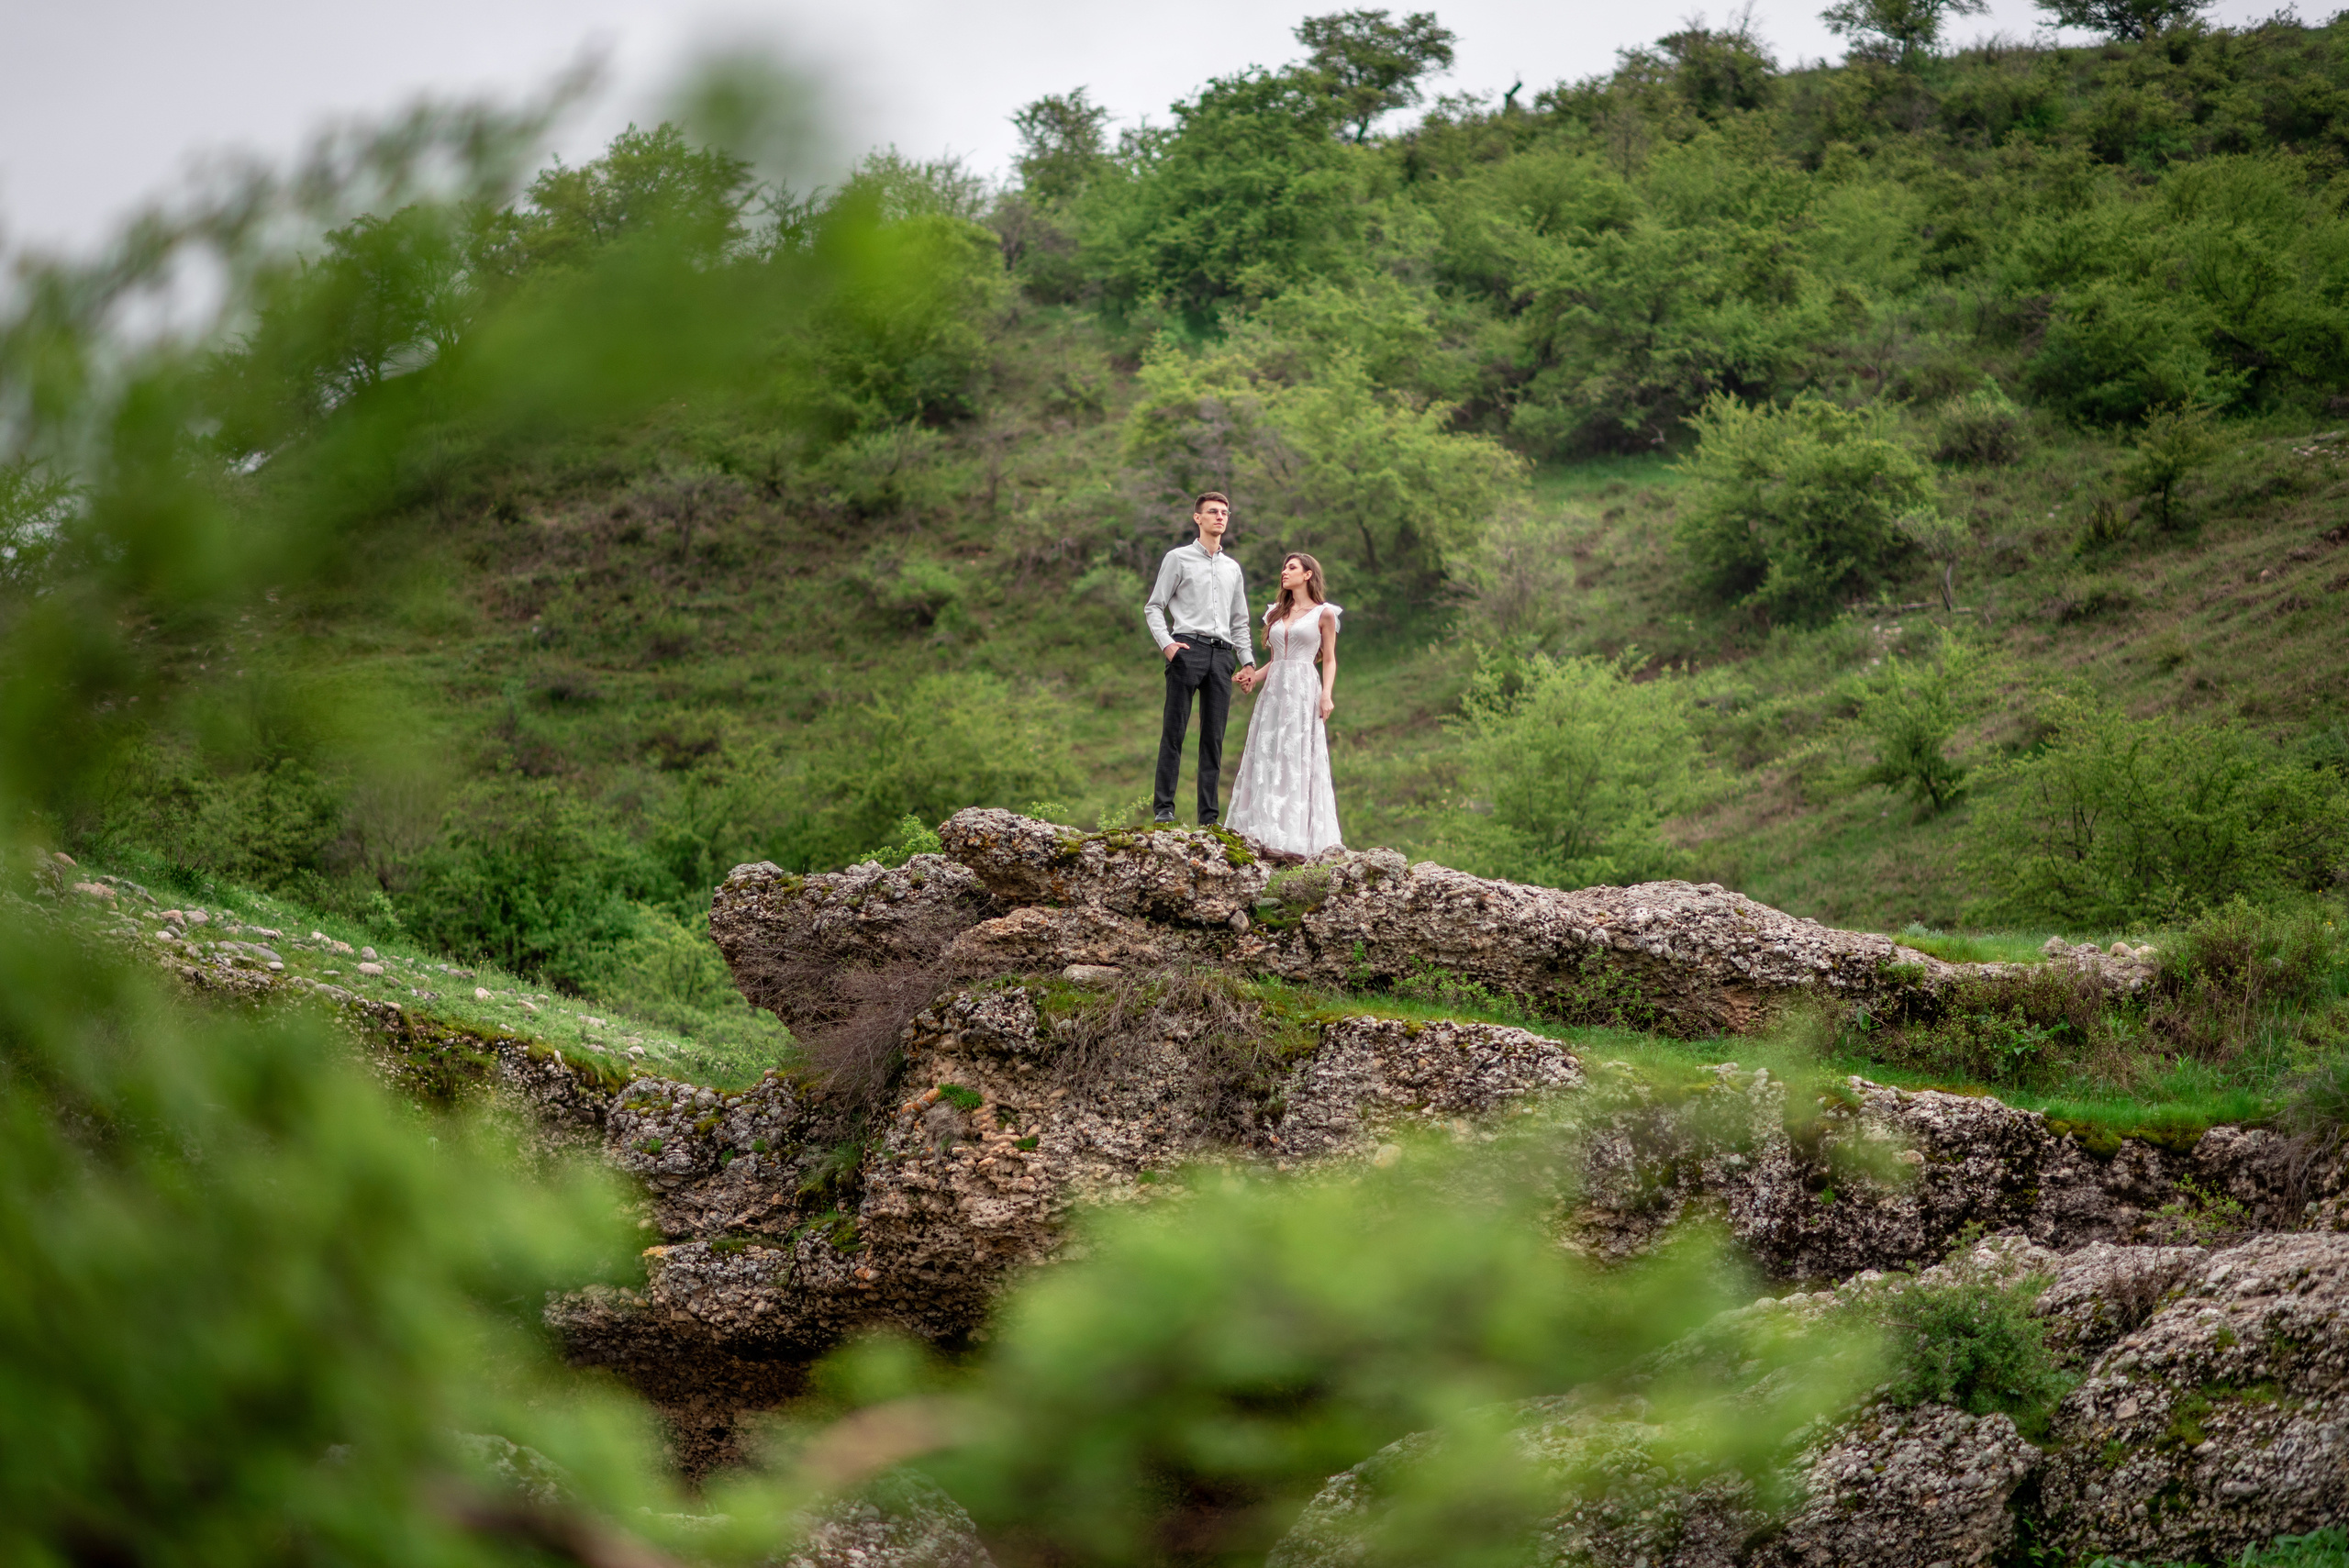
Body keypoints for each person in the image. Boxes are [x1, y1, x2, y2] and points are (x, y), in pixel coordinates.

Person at [1143, 492, 1259, 825]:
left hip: (1223, 658)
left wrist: (1247, 662)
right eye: (1212, 512)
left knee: (1213, 739)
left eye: (1224, 512)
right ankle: (1164, 809)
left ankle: (1208, 818)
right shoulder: (1177, 558)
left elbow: (1240, 621)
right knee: (1174, 732)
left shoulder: (1232, 569)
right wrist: (1167, 644)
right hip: (1186, 650)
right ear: (1198, 518)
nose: (1220, 517)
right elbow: (1154, 606)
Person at [1223, 551, 1343, 859]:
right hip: (1275, 692)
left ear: (1307, 575)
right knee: (1268, 753)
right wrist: (1253, 677)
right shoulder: (1276, 613)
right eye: (1284, 567)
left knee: (1298, 756)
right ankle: (1263, 831)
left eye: (1292, 568)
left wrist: (1326, 693)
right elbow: (1276, 661)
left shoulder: (1324, 614)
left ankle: (1296, 837)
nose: (1284, 572)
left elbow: (1328, 659)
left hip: (1304, 689)